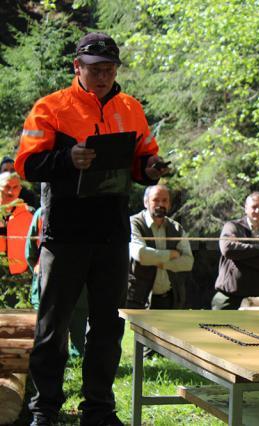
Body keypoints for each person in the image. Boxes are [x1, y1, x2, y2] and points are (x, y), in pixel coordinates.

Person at [15, 32, 169, 426]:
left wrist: (150, 169)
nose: (102, 76)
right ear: (77, 68)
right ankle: (44, 410)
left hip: (112, 234)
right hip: (64, 233)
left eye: (109, 69)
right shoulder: (51, 107)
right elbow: (27, 166)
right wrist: (68, 159)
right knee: (53, 326)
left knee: (107, 326)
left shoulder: (131, 108)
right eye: (95, 69)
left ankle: (99, 410)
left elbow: (142, 162)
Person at [25, 207, 89, 358]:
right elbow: (30, 250)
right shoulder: (42, 213)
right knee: (48, 327)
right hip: (49, 282)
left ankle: (77, 359)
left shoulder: (88, 210)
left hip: (79, 282)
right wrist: (38, 269)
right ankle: (51, 359)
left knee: (78, 327)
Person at [212, 191, 259, 310]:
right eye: (254, 207)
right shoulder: (232, 227)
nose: (258, 210)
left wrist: (240, 255)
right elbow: (228, 250)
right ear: (246, 209)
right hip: (228, 299)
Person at [127, 184, 193, 310]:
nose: (160, 204)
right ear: (146, 202)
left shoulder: (176, 228)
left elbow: (188, 262)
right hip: (139, 298)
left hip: (169, 299)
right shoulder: (134, 223)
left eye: (164, 200)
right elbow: (140, 254)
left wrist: (161, 263)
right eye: (156, 200)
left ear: (169, 204)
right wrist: (171, 255)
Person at [0, 171, 33, 276]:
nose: (11, 192)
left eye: (15, 187)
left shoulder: (29, 215)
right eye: (7, 187)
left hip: (20, 279)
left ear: (20, 190)